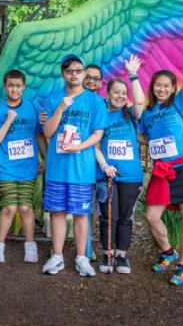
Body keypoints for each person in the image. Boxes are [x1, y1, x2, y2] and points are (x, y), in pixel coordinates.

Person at [139, 32, 183, 286]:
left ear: (172, 88)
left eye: (167, 86)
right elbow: (143, 138)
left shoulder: (179, 104)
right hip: (162, 170)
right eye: (158, 85)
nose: (162, 89)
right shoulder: (148, 113)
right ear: (153, 87)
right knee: (151, 215)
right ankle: (169, 251)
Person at [41, 54, 108, 276]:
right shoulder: (52, 99)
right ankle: (57, 256)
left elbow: (98, 134)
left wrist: (79, 147)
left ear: (84, 73)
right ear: (63, 74)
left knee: (81, 214)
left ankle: (82, 258)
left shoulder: (95, 101)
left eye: (78, 70)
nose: (74, 74)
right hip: (57, 167)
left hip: (82, 168)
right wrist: (60, 108)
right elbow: (47, 132)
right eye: (70, 71)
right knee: (57, 212)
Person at [0, 69, 46, 264]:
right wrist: (9, 120)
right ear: (5, 86)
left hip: (28, 166)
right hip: (5, 166)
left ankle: (30, 246)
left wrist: (45, 159)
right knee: (9, 207)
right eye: (11, 85)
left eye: (18, 86)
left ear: (23, 87)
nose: (14, 89)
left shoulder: (32, 106)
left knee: (27, 207)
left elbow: (39, 135)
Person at [94, 55, 145, 274]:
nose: (120, 96)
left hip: (131, 176)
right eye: (116, 93)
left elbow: (141, 101)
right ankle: (107, 253)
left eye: (124, 94)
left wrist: (133, 75)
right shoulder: (102, 114)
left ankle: (122, 255)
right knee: (108, 216)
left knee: (125, 216)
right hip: (108, 175)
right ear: (108, 94)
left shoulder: (130, 114)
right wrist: (105, 165)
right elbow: (95, 145)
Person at [82, 62, 105, 259]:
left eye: (95, 78)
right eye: (87, 76)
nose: (91, 81)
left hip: (98, 166)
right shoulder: (72, 100)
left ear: (100, 83)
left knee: (94, 208)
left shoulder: (103, 104)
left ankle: (87, 246)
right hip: (77, 164)